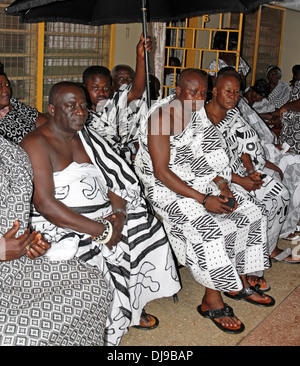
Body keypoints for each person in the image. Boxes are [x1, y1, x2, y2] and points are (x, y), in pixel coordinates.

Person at [20, 81, 180, 346]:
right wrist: (103, 231)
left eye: (83, 105)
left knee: (147, 227)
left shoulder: (87, 138)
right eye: (71, 106)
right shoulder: (36, 143)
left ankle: (130, 305)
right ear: (51, 109)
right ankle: (105, 319)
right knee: (91, 256)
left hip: (107, 218)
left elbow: (115, 179)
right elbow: (45, 205)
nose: (80, 111)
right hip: (62, 224)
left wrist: (118, 215)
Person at [135, 68, 274, 335]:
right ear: (177, 91)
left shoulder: (197, 113)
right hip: (166, 188)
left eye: (202, 93)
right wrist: (204, 199)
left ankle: (239, 279)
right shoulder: (162, 118)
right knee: (210, 230)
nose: (198, 98)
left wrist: (224, 185)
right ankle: (212, 300)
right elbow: (161, 172)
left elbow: (211, 154)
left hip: (201, 178)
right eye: (192, 92)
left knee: (251, 212)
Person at [0, 135, 111, 346]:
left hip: (15, 268)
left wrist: (27, 242)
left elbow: (12, 218)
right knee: (16, 336)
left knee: (91, 285)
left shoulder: (10, 153)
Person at [205, 70, 297, 289]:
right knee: (255, 207)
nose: (233, 96)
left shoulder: (233, 114)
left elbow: (245, 145)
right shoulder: (202, 119)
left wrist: (250, 171)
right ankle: (247, 269)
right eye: (228, 91)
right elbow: (206, 165)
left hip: (240, 173)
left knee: (280, 194)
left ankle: (265, 250)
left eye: (237, 92)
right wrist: (240, 180)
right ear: (215, 90)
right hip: (217, 180)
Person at [239, 77, 300, 243]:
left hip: (266, 145)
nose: (255, 100)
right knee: (288, 166)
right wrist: (271, 150)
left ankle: (289, 222)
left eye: (258, 99)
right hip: (260, 151)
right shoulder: (238, 107)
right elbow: (250, 144)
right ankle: (284, 226)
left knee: (293, 162)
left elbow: (257, 126)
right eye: (254, 97)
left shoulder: (246, 106)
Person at [83, 35, 151, 163]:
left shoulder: (112, 103)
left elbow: (136, 92)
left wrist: (141, 58)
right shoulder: (80, 112)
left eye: (106, 87)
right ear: (85, 87)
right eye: (95, 88)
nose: (101, 92)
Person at [0, 68, 47, 143]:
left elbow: (44, 123)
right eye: (0, 85)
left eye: (7, 85)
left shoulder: (15, 104)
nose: (5, 88)